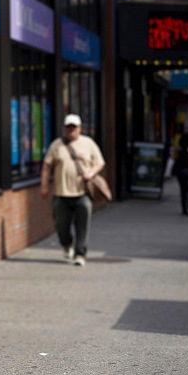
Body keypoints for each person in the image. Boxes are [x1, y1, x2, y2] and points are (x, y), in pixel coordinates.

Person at [41, 113, 106, 268]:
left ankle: (80, 254)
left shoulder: (88, 143)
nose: (71, 130)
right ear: (65, 128)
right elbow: (46, 166)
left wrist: (91, 172)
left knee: (83, 224)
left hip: (82, 193)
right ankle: (67, 243)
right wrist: (44, 185)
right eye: (68, 127)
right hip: (61, 193)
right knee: (61, 225)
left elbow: (100, 162)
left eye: (74, 127)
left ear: (80, 128)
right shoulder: (56, 145)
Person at [171, 131, 188, 216]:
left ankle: (183, 207)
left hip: (180, 171)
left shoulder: (178, 148)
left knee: (182, 190)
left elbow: (174, 158)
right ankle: (187, 206)